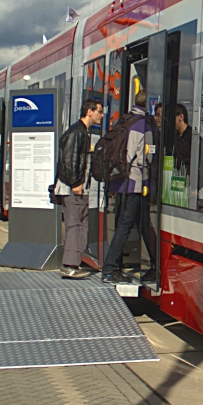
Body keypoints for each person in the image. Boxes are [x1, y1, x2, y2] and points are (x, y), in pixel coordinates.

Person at [102, 90, 158, 284]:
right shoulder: (144, 125)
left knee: (136, 224)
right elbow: (147, 157)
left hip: (120, 181)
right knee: (129, 226)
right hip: (135, 182)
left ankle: (154, 264)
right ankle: (110, 269)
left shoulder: (125, 121)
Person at [54, 98, 104, 279]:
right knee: (75, 225)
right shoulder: (77, 133)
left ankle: (73, 262)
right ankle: (69, 265)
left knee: (80, 225)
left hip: (77, 188)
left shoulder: (81, 132)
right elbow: (68, 160)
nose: (102, 115)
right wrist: (75, 183)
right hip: (72, 189)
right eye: (99, 111)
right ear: (89, 111)